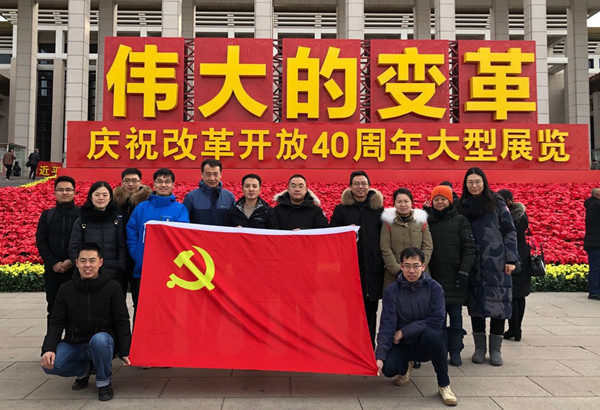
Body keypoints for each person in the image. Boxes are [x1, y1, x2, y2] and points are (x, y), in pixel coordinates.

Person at [41, 243, 131, 402]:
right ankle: (85, 369)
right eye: (83, 261)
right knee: (50, 365)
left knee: (100, 340)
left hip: (102, 343)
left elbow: (122, 320)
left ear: (100, 262)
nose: (87, 265)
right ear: (76, 263)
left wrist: (125, 350)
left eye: (92, 260)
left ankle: (103, 382)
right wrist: (48, 349)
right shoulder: (66, 289)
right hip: (75, 342)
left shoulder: (112, 287)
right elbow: (56, 322)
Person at [375, 247, 458, 407]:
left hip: (424, 342)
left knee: (434, 335)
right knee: (389, 369)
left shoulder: (434, 288)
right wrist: (380, 357)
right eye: (407, 266)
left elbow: (437, 319)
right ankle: (405, 367)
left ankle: (444, 385)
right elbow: (387, 324)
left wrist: (404, 331)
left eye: (415, 266)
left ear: (423, 266)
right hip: (402, 343)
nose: (411, 271)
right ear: (401, 266)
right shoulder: (392, 291)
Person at [457, 167, 518, 366]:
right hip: (473, 263)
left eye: (478, 181)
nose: (474, 186)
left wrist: (511, 259)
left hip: (497, 263)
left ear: (484, 182)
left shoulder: (497, 203)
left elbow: (510, 231)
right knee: (476, 306)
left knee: (499, 305)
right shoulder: (462, 205)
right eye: (470, 182)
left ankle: (495, 350)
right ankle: (480, 348)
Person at [329, 170, 384, 347]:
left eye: (363, 183)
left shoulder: (378, 210)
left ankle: (370, 348)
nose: (360, 187)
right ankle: (352, 348)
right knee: (350, 312)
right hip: (350, 268)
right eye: (356, 183)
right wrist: (345, 232)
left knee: (371, 312)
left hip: (372, 269)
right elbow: (332, 234)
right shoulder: (341, 210)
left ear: (369, 186)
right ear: (350, 187)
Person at [127, 168, 189, 321]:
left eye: (167, 181)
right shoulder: (141, 208)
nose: (163, 185)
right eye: (159, 181)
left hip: (169, 272)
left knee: (167, 310)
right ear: (153, 184)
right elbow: (131, 233)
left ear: (173, 184)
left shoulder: (180, 209)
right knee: (141, 308)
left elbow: (183, 235)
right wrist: (138, 255)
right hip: (143, 269)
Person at [426, 185, 476, 366]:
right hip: (434, 277)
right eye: (436, 199)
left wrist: (464, 271)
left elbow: (469, 248)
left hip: (455, 277)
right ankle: (440, 349)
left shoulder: (460, 220)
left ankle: (455, 350)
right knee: (437, 318)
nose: (439, 202)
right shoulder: (427, 221)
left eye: (443, 199)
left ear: (450, 201)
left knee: (455, 317)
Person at [35, 176, 80, 321]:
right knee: (54, 309)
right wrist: (53, 263)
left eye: (68, 189)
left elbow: (85, 241)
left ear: (74, 192)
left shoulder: (82, 215)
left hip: (76, 270)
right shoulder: (47, 215)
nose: (64, 193)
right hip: (53, 271)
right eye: (60, 190)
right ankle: (53, 336)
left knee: (76, 309)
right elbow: (41, 241)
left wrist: (71, 261)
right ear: (55, 192)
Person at [68, 181, 127, 292]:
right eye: (97, 195)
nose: (101, 198)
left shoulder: (116, 221)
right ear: (91, 197)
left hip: (113, 276)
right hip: (88, 275)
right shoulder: (82, 221)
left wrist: (119, 267)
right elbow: (74, 247)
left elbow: (122, 247)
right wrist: (83, 268)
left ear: (110, 198)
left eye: (105, 195)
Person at [380, 187, 433, 290]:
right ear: (394, 204)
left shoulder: (421, 221)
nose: (403, 205)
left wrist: (419, 267)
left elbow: (428, 246)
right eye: (399, 202)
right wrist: (398, 269)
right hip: (395, 275)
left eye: (406, 201)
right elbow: (385, 247)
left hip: (420, 274)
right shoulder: (388, 222)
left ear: (411, 203)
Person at [498, 189, 531, 341]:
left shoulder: (509, 217)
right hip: (524, 256)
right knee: (520, 296)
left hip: (513, 258)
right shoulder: (522, 214)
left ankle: (514, 329)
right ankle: (517, 329)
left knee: (514, 295)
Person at [113, 167, 151, 300]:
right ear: (122, 182)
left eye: (134, 180)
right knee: (117, 298)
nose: (130, 184)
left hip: (139, 255)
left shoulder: (147, 203)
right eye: (127, 180)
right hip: (119, 254)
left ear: (140, 182)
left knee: (139, 298)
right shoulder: (114, 203)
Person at [183, 159, 235, 225]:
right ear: (202, 174)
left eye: (215, 174)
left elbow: (234, 221)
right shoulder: (191, 197)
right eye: (208, 174)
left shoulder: (229, 197)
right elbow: (184, 224)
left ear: (220, 175)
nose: (212, 178)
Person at [583, 187, 600, 300]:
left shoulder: (592, 204)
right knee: (596, 268)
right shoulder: (596, 205)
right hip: (596, 242)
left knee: (595, 267)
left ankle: (595, 290)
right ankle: (594, 292)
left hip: (593, 241)